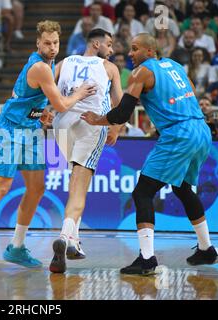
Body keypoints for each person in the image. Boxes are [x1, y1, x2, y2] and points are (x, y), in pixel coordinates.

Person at [81, 33, 218, 275]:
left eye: (135, 49)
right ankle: (206, 249)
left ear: (149, 51)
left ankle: (147, 259)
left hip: (180, 135)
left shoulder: (142, 71)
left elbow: (123, 113)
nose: (131, 54)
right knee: (183, 188)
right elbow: (191, 91)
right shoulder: (175, 66)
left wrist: (97, 120)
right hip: (201, 129)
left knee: (142, 192)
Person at [0, 20, 95, 272]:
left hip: (30, 129)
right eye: (47, 43)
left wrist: (39, 113)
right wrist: (79, 93)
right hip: (9, 129)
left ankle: (17, 247)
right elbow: (62, 105)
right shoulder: (40, 67)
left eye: (56, 42)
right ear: (38, 43)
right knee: (1, 187)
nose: (53, 47)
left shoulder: (51, 63)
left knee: (36, 188)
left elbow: (38, 99)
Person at [50, 29, 123, 273]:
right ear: (96, 43)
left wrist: (43, 114)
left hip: (61, 124)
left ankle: (73, 241)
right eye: (109, 45)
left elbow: (45, 90)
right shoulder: (109, 68)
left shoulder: (64, 62)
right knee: (80, 187)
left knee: (74, 181)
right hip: (90, 123)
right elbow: (120, 103)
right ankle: (64, 235)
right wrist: (115, 127)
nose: (111, 51)